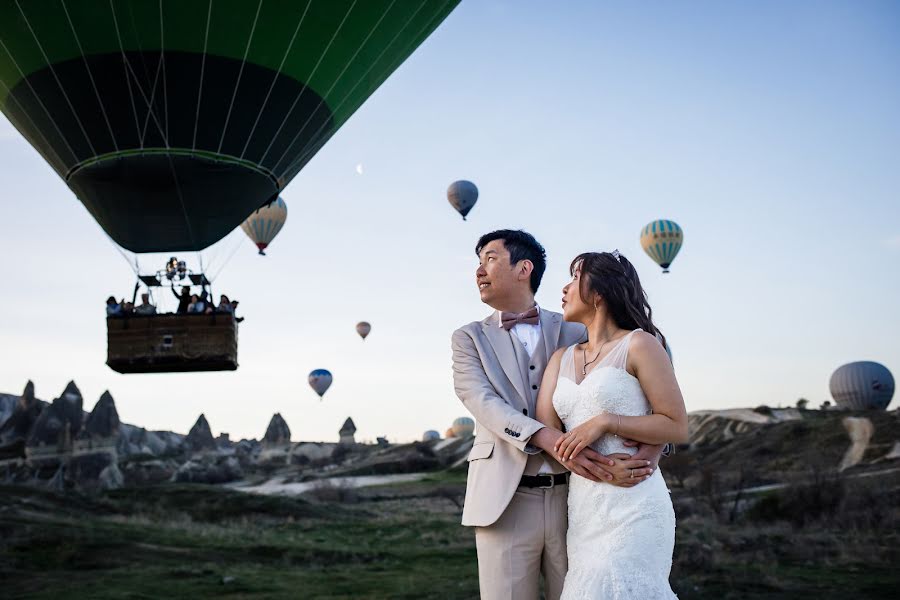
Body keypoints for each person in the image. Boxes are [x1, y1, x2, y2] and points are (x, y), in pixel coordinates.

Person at [451, 230, 663, 600]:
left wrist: (647, 456)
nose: (478, 271)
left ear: (524, 268)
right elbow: (480, 400)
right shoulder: (468, 338)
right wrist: (547, 438)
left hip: (584, 497)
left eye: (489, 258)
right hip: (506, 500)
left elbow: (647, 389)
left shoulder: (580, 324)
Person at [539, 250, 688, 598]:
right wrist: (598, 469)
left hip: (635, 502)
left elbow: (676, 425)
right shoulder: (559, 360)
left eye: (574, 277)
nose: (564, 287)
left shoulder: (640, 343)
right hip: (585, 510)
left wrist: (606, 422)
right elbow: (549, 434)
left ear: (600, 291)